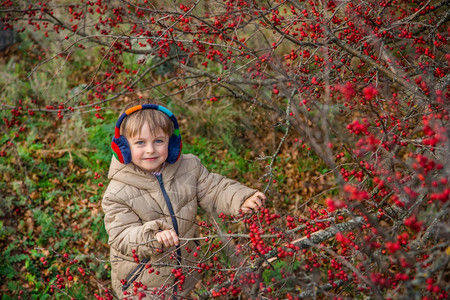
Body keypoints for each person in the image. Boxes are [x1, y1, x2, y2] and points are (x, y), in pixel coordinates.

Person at [102, 100, 266, 299]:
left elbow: (214, 189)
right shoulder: (117, 192)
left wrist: (241, 198)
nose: (150, 150)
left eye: (158, 141)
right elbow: (122, 236)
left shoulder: (188, 167)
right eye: (140, 143)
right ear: (123, 147)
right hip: (143, 284)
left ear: (171, 143)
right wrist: (152, 236)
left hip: (185, 274)